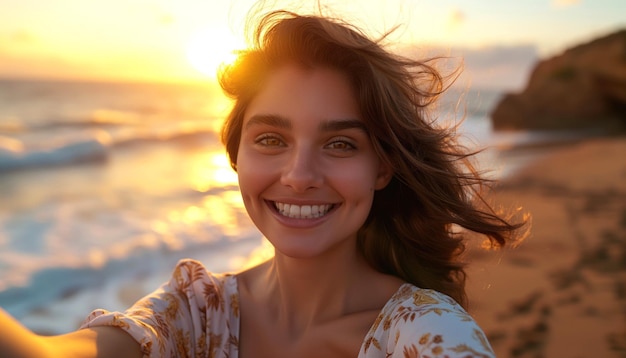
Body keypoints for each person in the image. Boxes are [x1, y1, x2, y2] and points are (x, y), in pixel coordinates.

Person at [0, 9, 527, 358]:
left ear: (382, 168)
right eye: (271, 139)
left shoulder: (427, 336)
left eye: (340, 144)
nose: (298, 176)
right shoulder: (198, 312)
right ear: (237, 156)